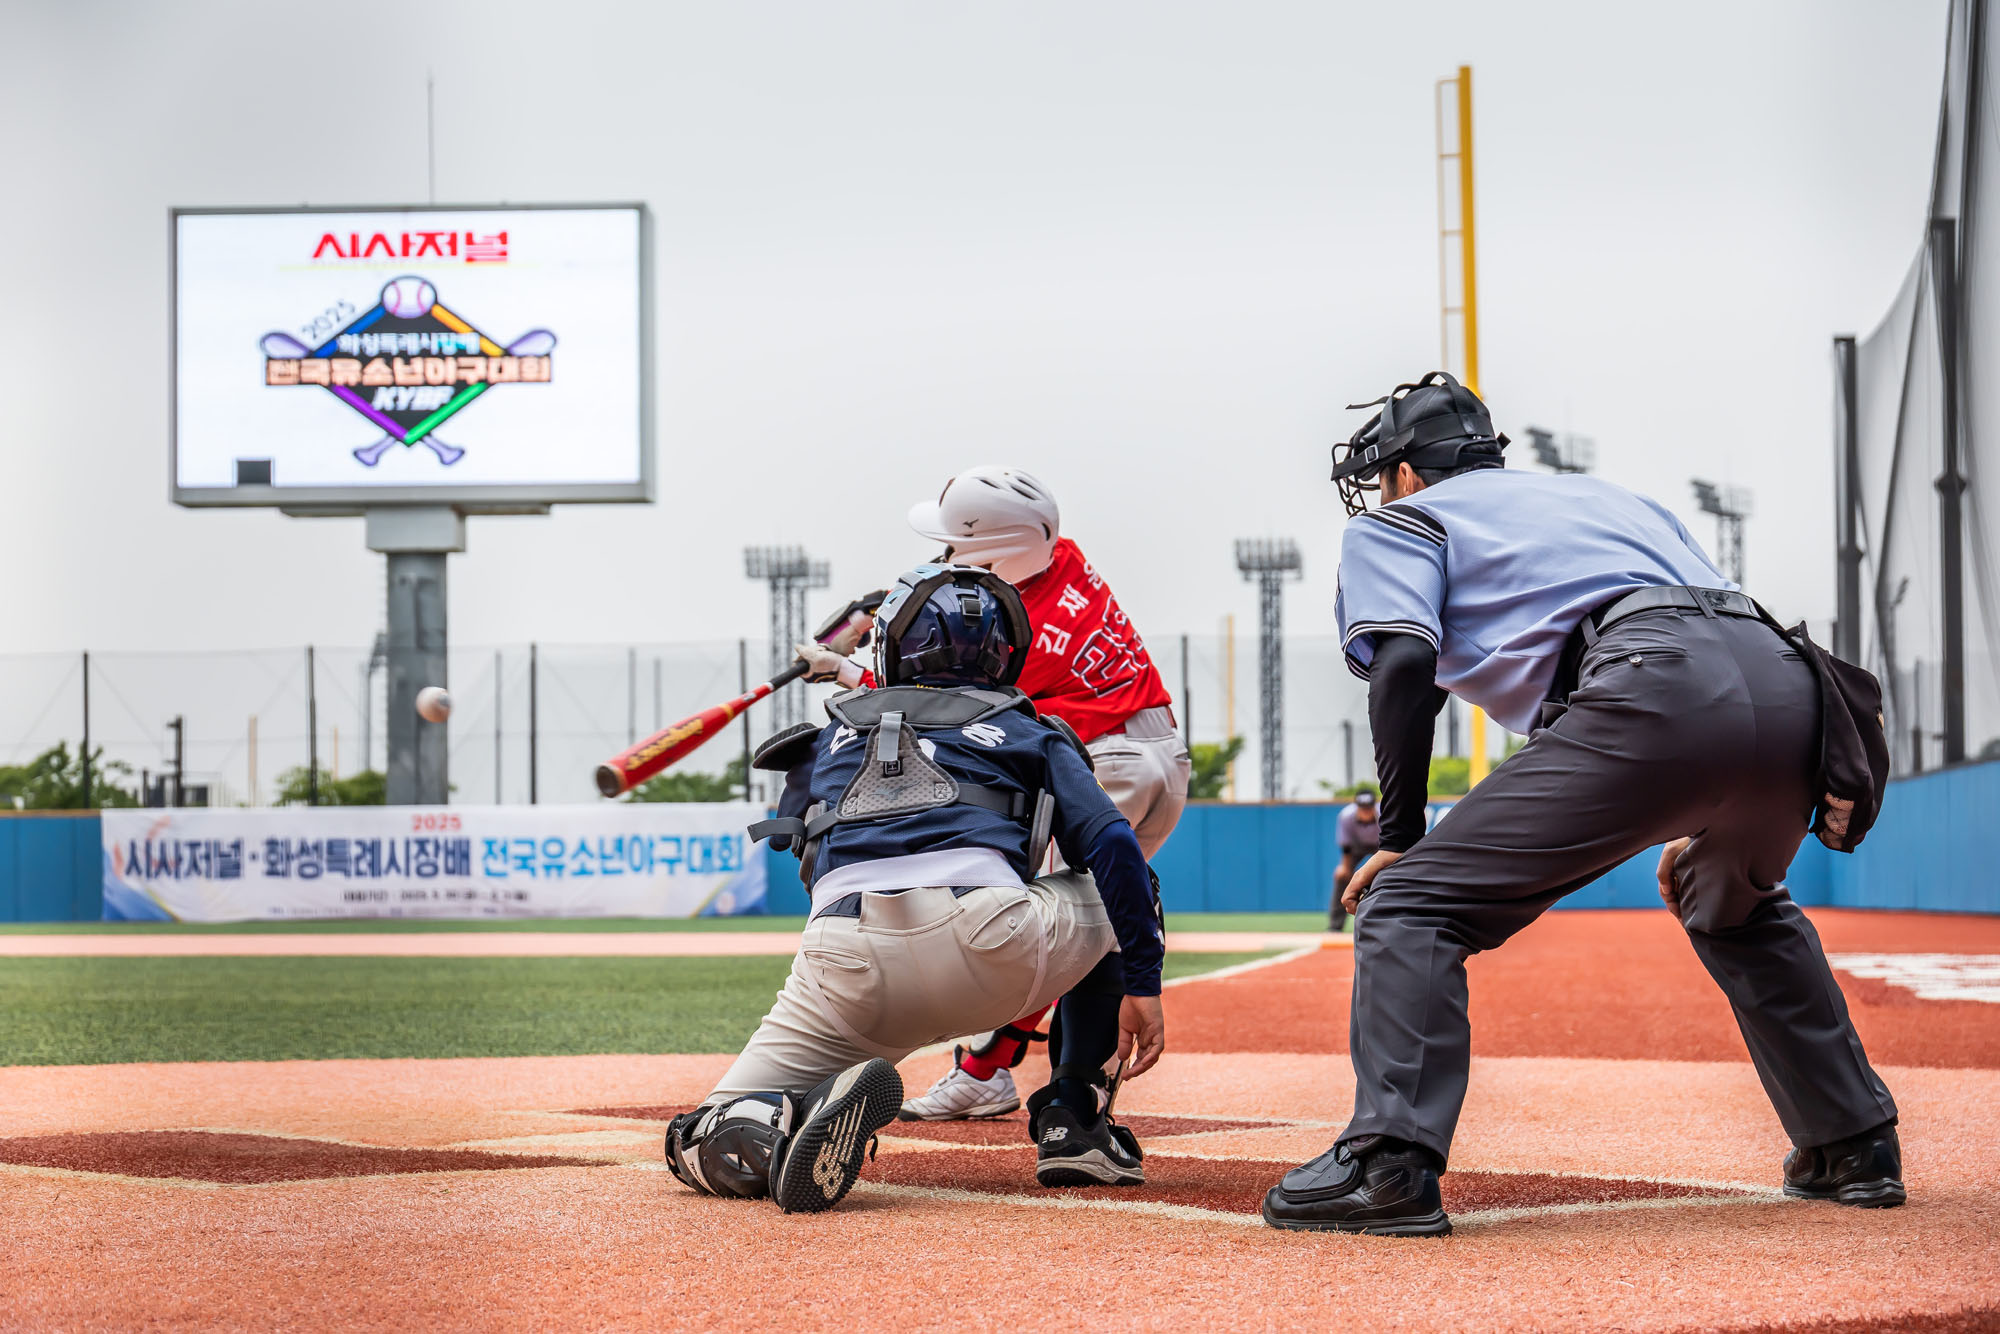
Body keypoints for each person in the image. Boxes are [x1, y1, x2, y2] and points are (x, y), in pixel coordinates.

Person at [1261, 371, 1902, 1237]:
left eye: (1383, 476)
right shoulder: (1615, 501)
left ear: (1406, 472)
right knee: (1735, 903)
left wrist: (1402, 836)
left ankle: (1388, 1165)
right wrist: (1710, 812)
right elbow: (1712, 641)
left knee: (1408, 905)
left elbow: (1406, 665)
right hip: (1793, 685)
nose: (1379, 493)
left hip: (1651, 680)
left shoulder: (1404, 518)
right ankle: (1853, 1143)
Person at [666, 564, 1165, 1213]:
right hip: (994, 947)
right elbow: (1115, 850)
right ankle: (1076, 1119)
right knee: (1131, 885)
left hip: (843, 964)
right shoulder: (1030, 729)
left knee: (694, 1134)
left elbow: (811, 861)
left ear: (891, 647)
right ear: (1005, 653)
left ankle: (767, 1131)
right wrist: (1144, 986)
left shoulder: (823, 740)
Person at [800, 466, 1190, 1121]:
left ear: (996, 552)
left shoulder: (1020, 633)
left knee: (1036, 924)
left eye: (959, 545)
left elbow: (934, 695)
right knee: (1095, 913)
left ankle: (1057, 1091)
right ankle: (994, 1070)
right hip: (1160, 755)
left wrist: (841, 668)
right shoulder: (1062, 555)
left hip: (1105, 761)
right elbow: (979, 578)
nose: (948, 553)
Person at [1329, 791, 1380, 932]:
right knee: (1340, 876)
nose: (1366, 812)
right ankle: (1335, 926)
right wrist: (1345, 869)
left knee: (1390, 874)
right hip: (1356, 846)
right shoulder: (1346, 816)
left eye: (1369, 808)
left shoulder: (1384, 814)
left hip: (1381, 846)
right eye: (1362, 808)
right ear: (1357, 807)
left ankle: (1384, 922)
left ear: (1374, 807)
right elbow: (1346, 847)